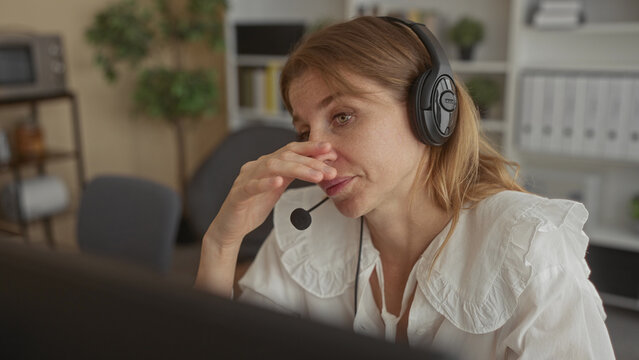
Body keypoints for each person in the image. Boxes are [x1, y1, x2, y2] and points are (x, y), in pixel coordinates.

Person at [195, 16, 615, 359]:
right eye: (304, 130)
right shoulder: (303, 225)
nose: (315, 152)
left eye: (342, 116)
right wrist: (221, 243)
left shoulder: (529, 246)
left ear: (430, 111)